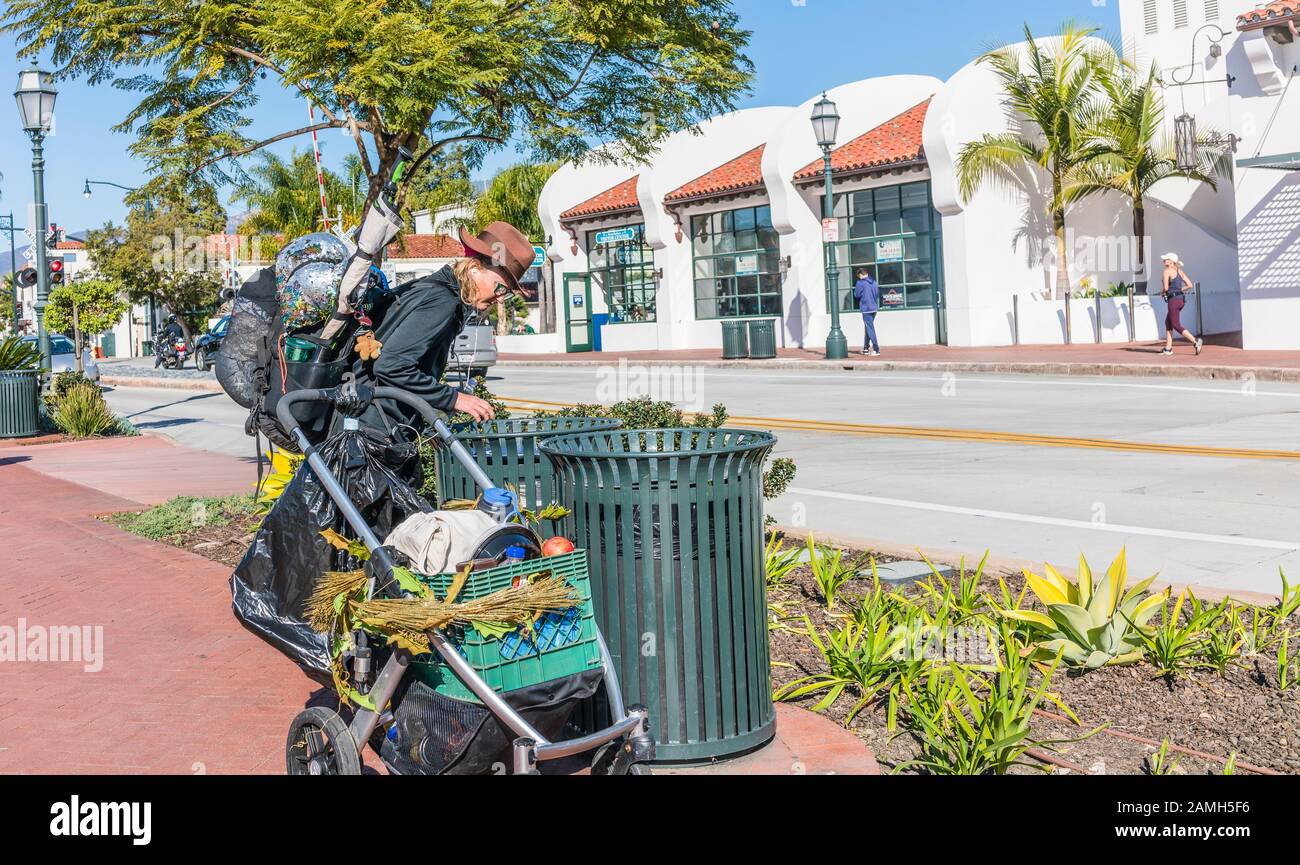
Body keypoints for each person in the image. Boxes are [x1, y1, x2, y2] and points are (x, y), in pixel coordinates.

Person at [352, 221, 534, 437]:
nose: (501, 299)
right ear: (474, 268)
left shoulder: (433, 288)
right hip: (375, 430)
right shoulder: (443, 301)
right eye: (500, 287)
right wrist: (454, 398)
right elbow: (391, 366)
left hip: (371, 422)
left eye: (508, 292)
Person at [1159, 253, 1203, 357]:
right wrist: (1178, 290)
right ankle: (1168, 349)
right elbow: (1190, 285)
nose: (1164, 260)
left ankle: (1195, 341)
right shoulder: (1180, 271)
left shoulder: (1166, 271)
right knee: (1168, 322)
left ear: (1171, 261)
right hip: (1180, 300)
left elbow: (1166, 288)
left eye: (1166, 259)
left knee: (1176, 324)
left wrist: (1163, 292)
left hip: (1173, 300)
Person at [852, 267, 881, 356]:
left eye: (859, 276)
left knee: (870, 328)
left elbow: (856, 295)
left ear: (861, 274)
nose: (859, 277)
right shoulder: (874, 282)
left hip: (866, 308)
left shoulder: (860, 283)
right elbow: (877, 294)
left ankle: (876, 349)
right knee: (868, 327)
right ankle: (865, 348)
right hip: (874, 308)